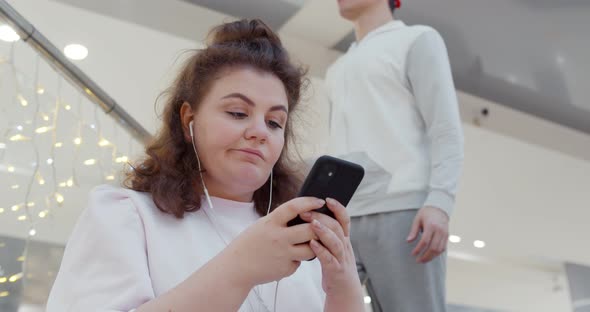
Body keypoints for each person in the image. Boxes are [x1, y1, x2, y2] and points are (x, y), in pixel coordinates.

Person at [46, 19, 364, 312]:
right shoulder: (126, 216)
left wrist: (344, 287)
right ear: (189, 120)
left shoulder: (299, 233)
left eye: (274, 122)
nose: (259, 132)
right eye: (238, 113)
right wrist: (239, 268)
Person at [325, 0, 465, 311]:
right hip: (342, 218)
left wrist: (440, 203)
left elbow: (444, 128)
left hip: (404, 215)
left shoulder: (417, 40)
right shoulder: (337, 69)